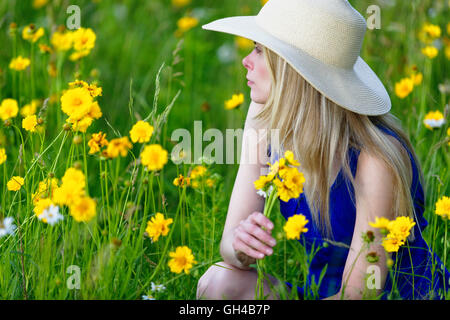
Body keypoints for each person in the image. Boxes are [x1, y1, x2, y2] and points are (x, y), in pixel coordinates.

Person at [196, 0, 449, 300]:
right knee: (219, 282)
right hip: (323, 295)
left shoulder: (375, 160)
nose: (246, 61)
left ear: (295, 71)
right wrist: (241, 247)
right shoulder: (263, 117)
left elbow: (360, 294)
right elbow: (229, 246)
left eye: (260, 50)